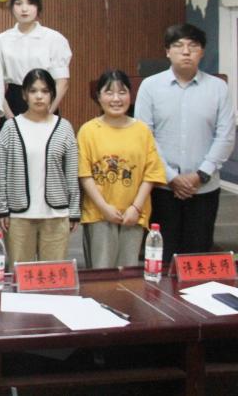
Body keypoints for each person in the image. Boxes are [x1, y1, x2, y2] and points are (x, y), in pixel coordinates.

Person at [135, 23, 235, 263]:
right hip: (162, 189)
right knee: (160, 256)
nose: (186, 51)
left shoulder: (218, 88)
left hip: (204, 188)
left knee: (197, 258)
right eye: (178, 46)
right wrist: (171, 177)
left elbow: (226, 135)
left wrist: (200, 175)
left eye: (193, 46)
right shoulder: (150, 87)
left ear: (202, 52)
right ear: (168, 51)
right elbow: (144, 136)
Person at [79, 70, 167, 269]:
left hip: (133, 215)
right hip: (99, 214)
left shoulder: (142, 130)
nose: (116, 99)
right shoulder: (88, 131)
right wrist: (104, 207)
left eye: (122, 92)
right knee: (101, 273)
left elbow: (152, 173)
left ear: (130, 95)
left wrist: (136, 208)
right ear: (98, 96)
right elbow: (85, 175)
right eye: (109, 92)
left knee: (129, 273)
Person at [0, 68, 80, 265]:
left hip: (56, 216)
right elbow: (0, 172)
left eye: (45, 91)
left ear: (52, 94)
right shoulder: (11, 127)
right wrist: (2, 209)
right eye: (33, 91)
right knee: (20, 275)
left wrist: (74, 210)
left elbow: (71, 172)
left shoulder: (64, 127)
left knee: (52, 276)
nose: (39, 96)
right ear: (24, 94)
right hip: (18, 216)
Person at [0, 0, 71, 116]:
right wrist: (10, 118)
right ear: (11, 6)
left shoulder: (54, 39)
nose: (24, 9)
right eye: (18, 3)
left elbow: (62, 82)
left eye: (30, 3)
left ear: (38, 6)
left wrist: (47, 113)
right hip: (13, 103)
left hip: (46, 103)